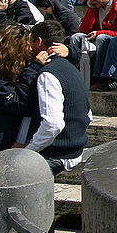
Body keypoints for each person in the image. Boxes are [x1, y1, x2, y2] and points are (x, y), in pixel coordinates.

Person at [18, 21, 92, 174]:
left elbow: (53, 125)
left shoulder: (47, 74)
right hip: (75, 149)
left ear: (38, 42)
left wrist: (27, 151)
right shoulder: (71, 68)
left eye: (30, 42)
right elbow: (88, 115)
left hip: (57, 155)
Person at [0, 22, 45, 155]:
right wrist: (33, 69)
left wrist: (69, 51)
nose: (29, 49)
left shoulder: (12, 67)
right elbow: (17, 103)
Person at [73, 0, 117, 89]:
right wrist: (91, 10)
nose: (93, 0)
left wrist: (99, 33)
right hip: (98, 38)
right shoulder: (96, 7)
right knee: (76, 37)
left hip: (116, 44)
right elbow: (84, 30)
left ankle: (99, 77)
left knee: (101, 38)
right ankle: (78, 74)